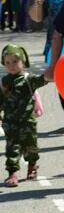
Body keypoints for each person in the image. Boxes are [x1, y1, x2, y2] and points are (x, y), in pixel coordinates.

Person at [1, 45, 48, 187]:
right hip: (10, 122)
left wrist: (53, 70)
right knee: (12, 148)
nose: (11, 66)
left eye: (15, 61)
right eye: (7, 62)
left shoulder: (29, 79)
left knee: (31, 147)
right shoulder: (4, 81)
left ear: (23, 62)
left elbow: (43, 79)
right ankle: (12, 173)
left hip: (28, 122)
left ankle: (32, 167)